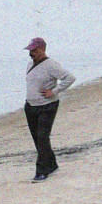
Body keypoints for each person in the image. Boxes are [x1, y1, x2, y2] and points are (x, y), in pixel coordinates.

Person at [23, 37, 75, 181]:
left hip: (47, 106)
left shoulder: (51, 65)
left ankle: (42, 170)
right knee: (37, 138)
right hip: (30, 106)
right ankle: (51, 164)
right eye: (30, 50)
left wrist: (55, 91)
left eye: (34, 50)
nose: (31, 53)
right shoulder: (29, 64)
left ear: (42, 50)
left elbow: (69, 78)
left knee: (42, 138)